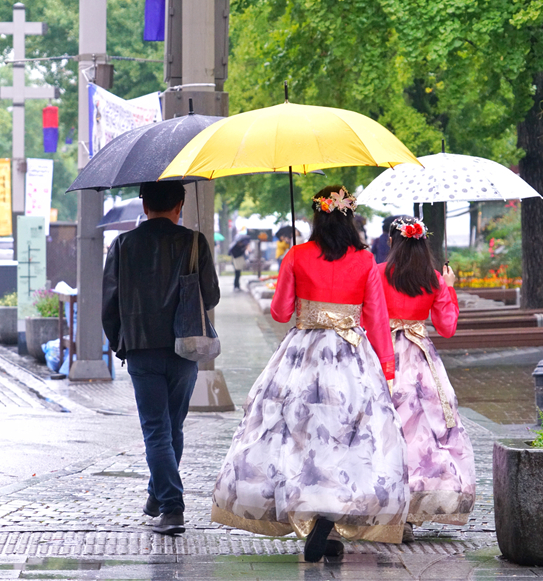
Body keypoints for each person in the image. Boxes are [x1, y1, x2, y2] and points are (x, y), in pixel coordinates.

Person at [211, 185, 409, 562]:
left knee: (297, 433)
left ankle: (309, 507)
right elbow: (376, 318)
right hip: (352, 357)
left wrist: (295, 275)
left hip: (303, 354)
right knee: (349, 436)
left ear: (317, 216)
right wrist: (386, 366)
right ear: (349, 216)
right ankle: (330, 517)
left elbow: (280, 312)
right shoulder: (365, 260)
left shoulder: (297, 255)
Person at [103, 180, 220, 536]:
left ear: (144, 205)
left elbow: (109, 304)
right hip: (184, 348)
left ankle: (168, 505)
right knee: (172, 427)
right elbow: (211, 296)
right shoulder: (194, 242)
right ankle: (162, 500)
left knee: (157, 430)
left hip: (141, 348)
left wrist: (122, 344)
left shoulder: (122, 244)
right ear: (179, 205)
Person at [377, 216, 476, 542]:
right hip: (420, 360)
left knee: (382, 428)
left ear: (391, 242)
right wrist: (448, 286)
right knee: (424, 432)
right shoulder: (432, 279)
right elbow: (447, 327)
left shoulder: (377, 273)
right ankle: (414, 508)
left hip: (383, 355)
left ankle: (381, 507)